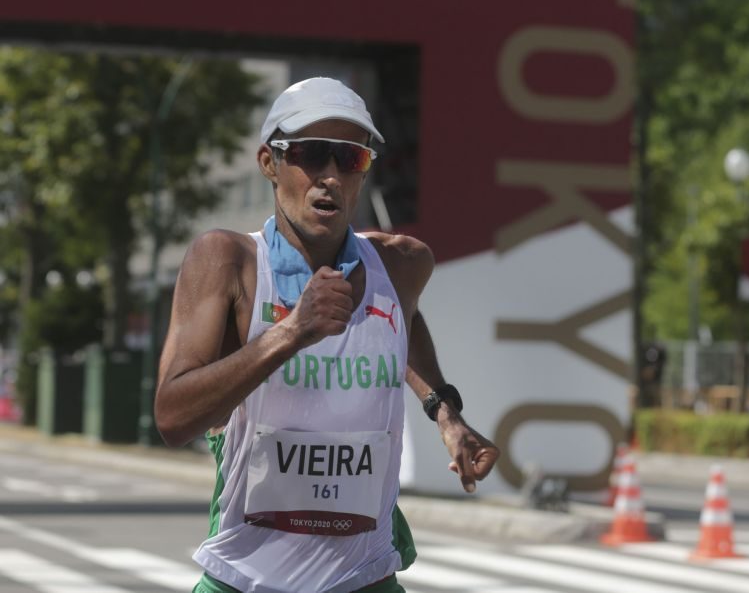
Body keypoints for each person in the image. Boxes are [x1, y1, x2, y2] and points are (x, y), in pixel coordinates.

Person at [154, 77, 500, 593]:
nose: (331, 177)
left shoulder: (402, 264)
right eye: (312, 155)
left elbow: (402, 319)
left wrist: (445, 413)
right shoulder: (228, 261)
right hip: (247, 579)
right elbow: (172, 417)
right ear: (270, 163)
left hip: (366, 577)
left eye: (350, 158)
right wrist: (291, 332)